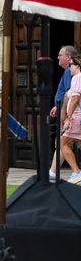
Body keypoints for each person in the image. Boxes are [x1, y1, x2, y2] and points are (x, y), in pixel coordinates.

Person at [50, 45, 79, 181]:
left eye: (60, 55)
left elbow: (71, 95)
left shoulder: (72, 73)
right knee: (63, 141)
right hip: (70, 114)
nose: (57, 57)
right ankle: (53, 172)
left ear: (68, 57)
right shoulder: (68, 72)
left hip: (73, 116)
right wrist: (57, 105)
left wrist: (66, 115)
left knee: (63, 142)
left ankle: (76, 173)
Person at [59, 56, 81, 182]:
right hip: (78, 116)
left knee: (63, 143)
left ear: (77, 66)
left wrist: (68, 117)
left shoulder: (77, 78)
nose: (69, 67)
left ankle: (77, 172)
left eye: (71, 64)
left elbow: (75, 98)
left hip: (76, 117)